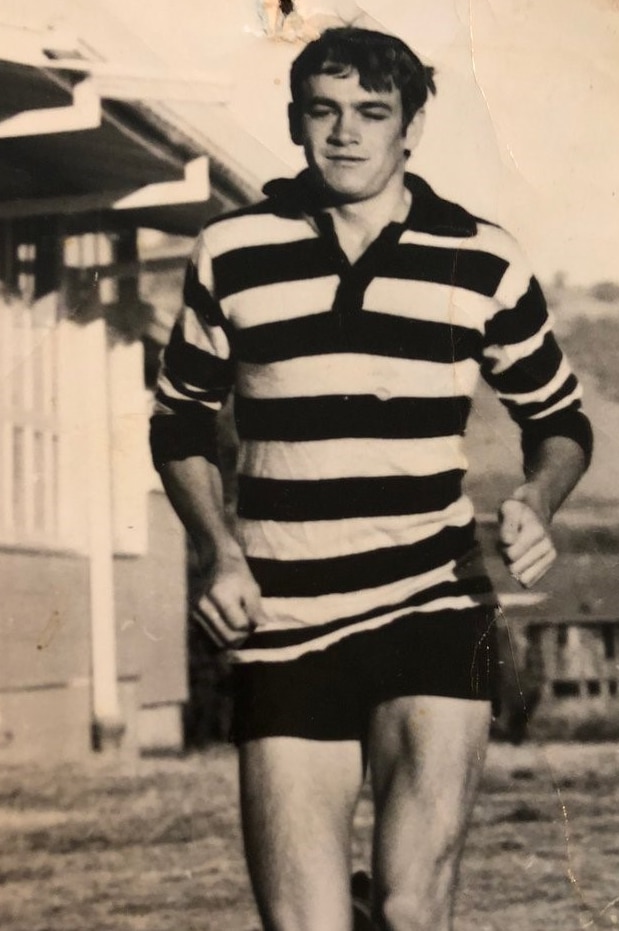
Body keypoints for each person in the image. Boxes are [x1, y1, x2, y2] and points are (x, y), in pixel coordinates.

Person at [150, 26, 592, 931]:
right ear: (295, 122)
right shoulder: (230, 251)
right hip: (283, 620)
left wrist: (536, 499)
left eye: (371, 113)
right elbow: (180, 423)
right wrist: (218, 551)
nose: (345, 133)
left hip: (430, 604)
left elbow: (559, 421)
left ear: (411, 127)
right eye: (324, 111)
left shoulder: (483, 259)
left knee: (407, 907)